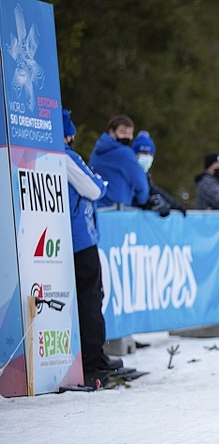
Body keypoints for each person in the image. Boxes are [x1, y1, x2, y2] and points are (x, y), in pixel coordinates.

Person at [61, 109, 127, 382]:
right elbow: (95, 188)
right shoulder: (65, 156)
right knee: (91, 297)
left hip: (68, 237)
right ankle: (93, 356)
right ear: (69, 134)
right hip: (81, 238)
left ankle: (87, 354)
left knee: (83, 297)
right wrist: (99, 182)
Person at [89, 115, 150, 208]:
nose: (127, 137)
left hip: (96, 207)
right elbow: (141, 184)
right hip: (117, 210)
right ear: (111, 131)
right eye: (123, 132)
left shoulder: (97, 150)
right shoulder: (124, 153)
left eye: (130, 133)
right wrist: (142, 201)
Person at [131, 130, 187, 217]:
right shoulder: (130, 172)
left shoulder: (146, 174)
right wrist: (146, 204)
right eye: (144, 153)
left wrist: (176, 205)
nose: (147, 157)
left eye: (150, 154)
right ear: (135, 154)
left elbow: (153, 189)